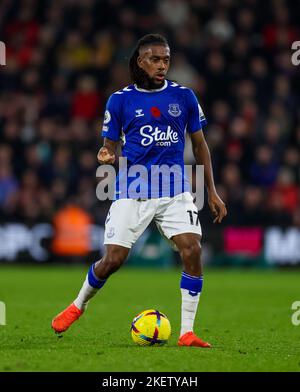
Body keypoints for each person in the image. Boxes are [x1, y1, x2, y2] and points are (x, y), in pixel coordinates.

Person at [52, 34, 227, 347]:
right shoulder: (119, 100)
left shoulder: (184, 96)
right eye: (155, 59)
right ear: (138, 61)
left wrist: (211, 191)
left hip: (175, 190)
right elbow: (108, 147)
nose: (162, 65)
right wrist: (105, 155)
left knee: (193, 249)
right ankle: (78, 305)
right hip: (132, 190)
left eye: (166, 59)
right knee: (113, 260)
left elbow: (200, 145)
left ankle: (186, 332)